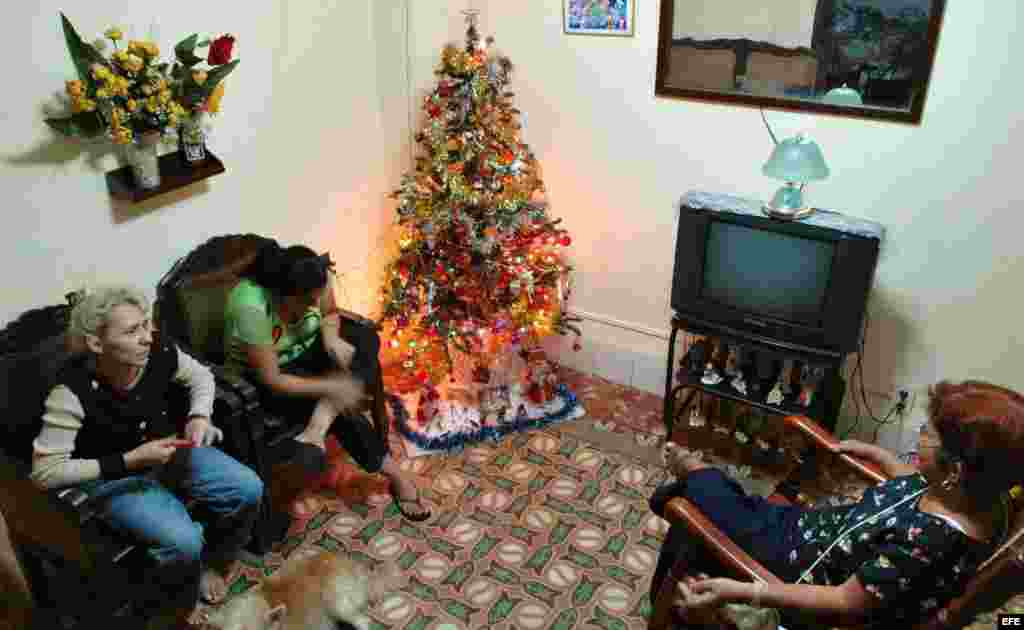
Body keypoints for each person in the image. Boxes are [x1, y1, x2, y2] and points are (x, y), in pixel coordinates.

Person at [651, 380, 1021, 629]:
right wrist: (877, 454)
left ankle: (670, 601)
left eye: (927, 434)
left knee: (690, 508)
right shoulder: (986, 498)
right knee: (727, 500)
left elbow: (846, 602)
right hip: (816, 529)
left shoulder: (927, 543)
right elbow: (911, 487)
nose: (918, 436)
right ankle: (695, 481)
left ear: (954, 470)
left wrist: (750, 592)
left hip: (796, 565)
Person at [29, 286, 264, 627]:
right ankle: (177, 603)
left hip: (166, 449)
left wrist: (200, 416)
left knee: (248, 488)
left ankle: (213, 564)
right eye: (131, 331)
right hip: (115, 476)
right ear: (97, 344)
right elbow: (45, 472)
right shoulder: (70, 393)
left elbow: (200, 376)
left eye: (145, 325)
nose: (146, 338)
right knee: (183, 541)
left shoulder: (160, 351)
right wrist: (128, 461)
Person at [223, 241, 430, 521]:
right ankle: (396, 475)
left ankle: (317, 427)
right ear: (282, 294)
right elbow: (272, 379)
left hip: (307, 352)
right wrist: (331, 387)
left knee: (365, 338)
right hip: (267, 379)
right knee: (344, 407)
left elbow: (330, 313)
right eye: (308, 301)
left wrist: (330, 337)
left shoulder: (315, 274)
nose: (314, 305)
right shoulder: (251, 307)